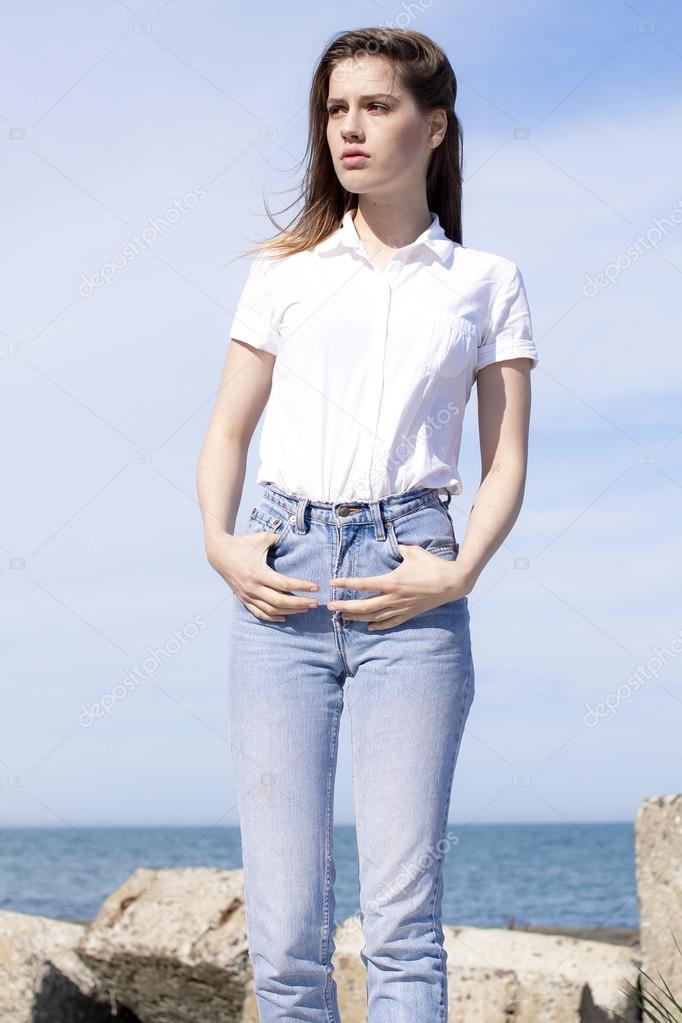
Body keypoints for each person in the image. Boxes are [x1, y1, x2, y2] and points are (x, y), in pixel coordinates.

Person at [197, 26, 538, 1023]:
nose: (349, 127)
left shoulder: (486, 282)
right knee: (286, 934)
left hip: (412, 576)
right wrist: (219, 544)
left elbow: (506, 455)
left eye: (375, 105)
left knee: (403, 930)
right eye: (336, 107)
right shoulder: (284, 271)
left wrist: (462, 569)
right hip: (280, 579)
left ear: (433, 127)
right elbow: (227, 429)